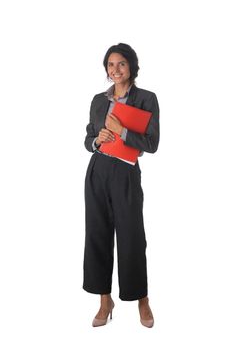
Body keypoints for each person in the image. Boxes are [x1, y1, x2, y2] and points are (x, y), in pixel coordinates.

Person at [83, 43, 160, 328]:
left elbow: (152, 143)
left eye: (121, 64)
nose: (115, 70)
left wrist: (121, 131)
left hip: (126, 173)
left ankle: (142, 299)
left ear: (132, 67)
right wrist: (98, 139)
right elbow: (88, 138)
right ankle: (105, 300)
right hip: (98, 171)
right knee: (98, 235)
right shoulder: (98, 101)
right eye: (111, 65)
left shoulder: (146, 99)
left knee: (132, 238)